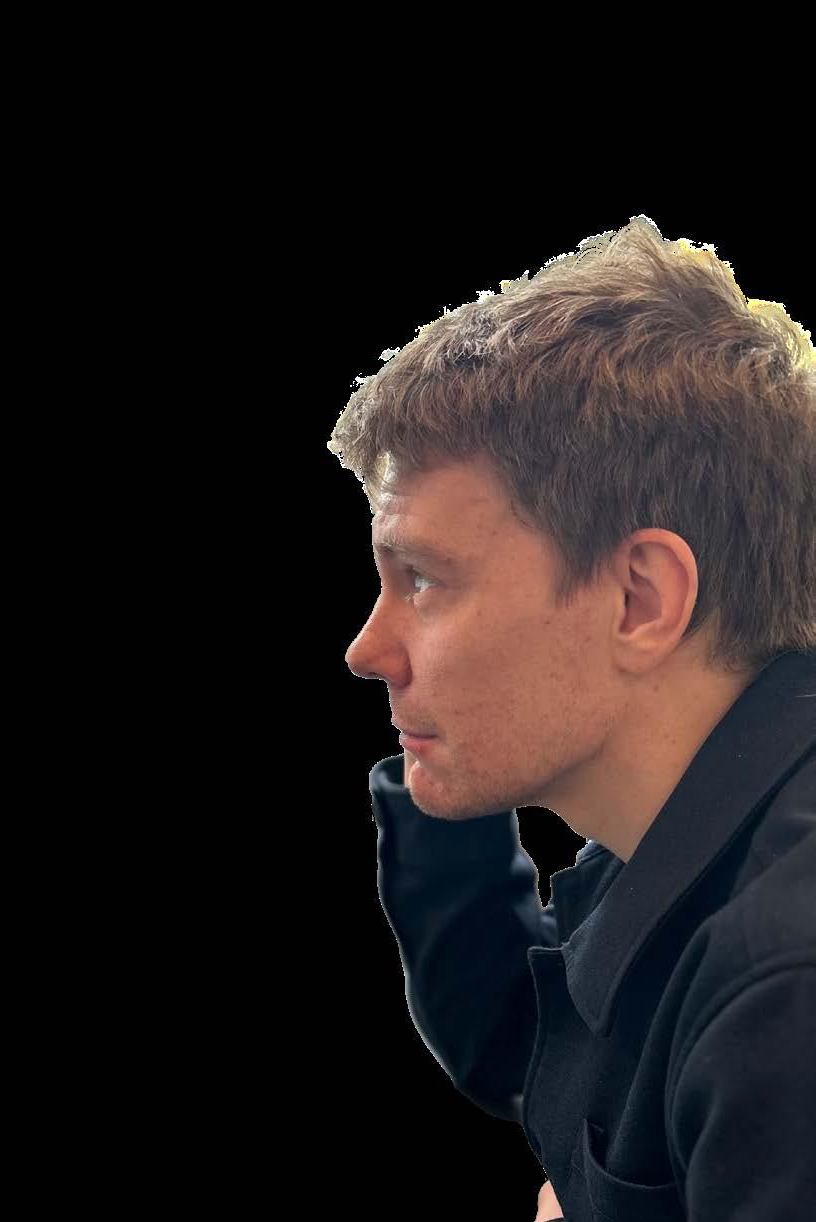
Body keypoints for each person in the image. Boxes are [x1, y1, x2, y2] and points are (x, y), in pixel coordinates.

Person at [333, 216, 815, 1219]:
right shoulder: (677, 818)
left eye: (422, 578)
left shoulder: (785, 986)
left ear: (639, 598)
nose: (366, 649)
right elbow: (532, 1052)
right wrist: (441, 763)